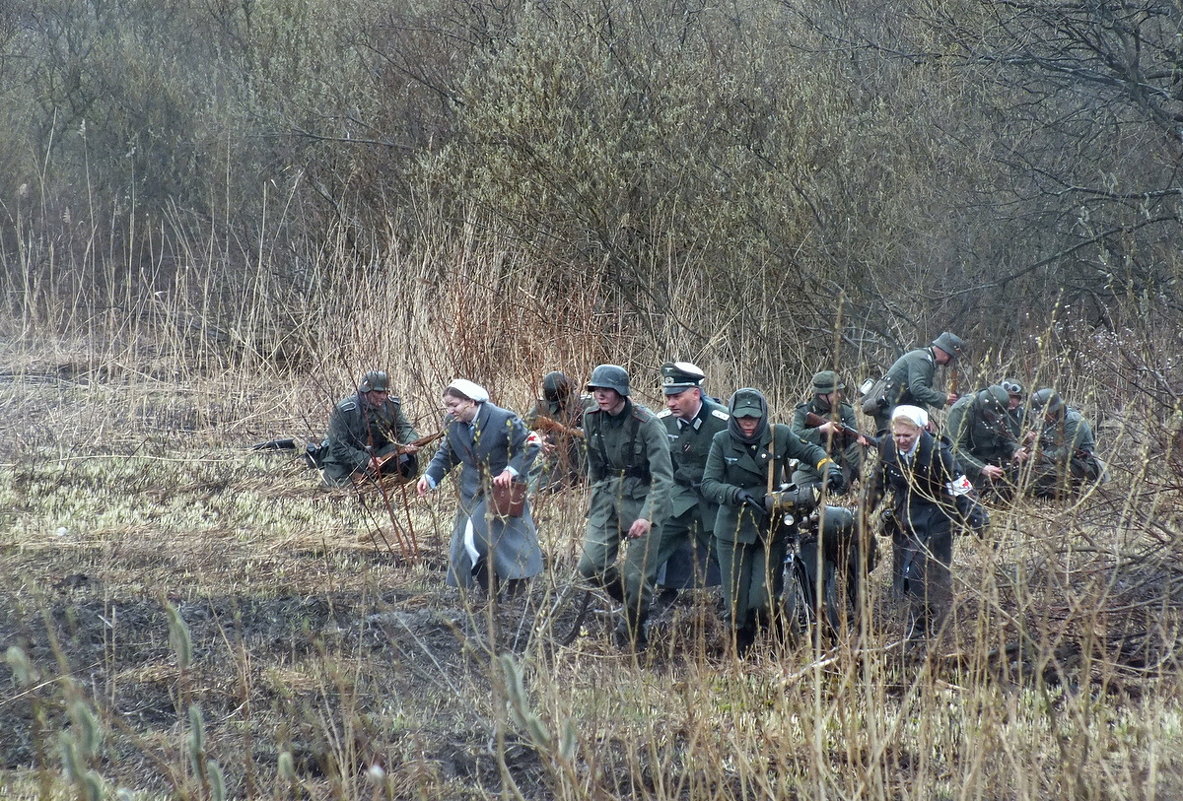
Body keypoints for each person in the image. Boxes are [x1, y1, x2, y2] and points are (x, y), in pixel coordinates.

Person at [701, 388, 846, 654]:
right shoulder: (721, 441)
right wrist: (733, 493)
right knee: (736, 607)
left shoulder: (778, 435)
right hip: (734, 530)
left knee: (762, 599)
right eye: (742, 418)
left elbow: (812, 452)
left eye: (753, 418)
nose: (748, 423)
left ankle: (777, 643)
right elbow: (708, 484)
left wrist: (829, 467)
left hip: (770, 528)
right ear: (733, 416)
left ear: (762, 416)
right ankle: (739, 656)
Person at [577, 364, 674, 650]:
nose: (600, 396)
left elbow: (663, 477)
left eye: (606, 390)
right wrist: (596, 498)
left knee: (637, 576)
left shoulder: (648, 423)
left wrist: (648, 517)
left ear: (621, 392)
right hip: (607, 497)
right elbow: (594, 465)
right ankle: (633, 604)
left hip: (643, 498)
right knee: (590, 565)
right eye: (596, 390)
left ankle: (634, 628)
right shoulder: (591, 418)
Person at [417, 380, 543, 596]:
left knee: (496, 541)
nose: (450, 410)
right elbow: (447, 453)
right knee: (465, 544)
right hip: (470, 491)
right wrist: (430, 477)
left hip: (501, 491)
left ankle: (518, 585)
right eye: (447, 405)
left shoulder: (502, 418)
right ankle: (489, 592)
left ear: (471, 402)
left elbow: (532, 442)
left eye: (454, 405)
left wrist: (510, 471)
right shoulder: (453, 422)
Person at [868, 405, 983, 641]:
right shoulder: (887, 447)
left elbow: (962, 492)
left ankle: (925, 633)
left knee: (926, 579)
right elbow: (876, 485)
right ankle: (917, 627)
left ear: (921, 430)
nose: (901, 440)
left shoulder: (939, 453)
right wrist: (860, 514)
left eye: (907, 436)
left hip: (936, 522)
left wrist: (982, 527)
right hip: (904, 521)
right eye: (897, 435)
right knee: (903, 581)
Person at [651, 362, 729, 606]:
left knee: (727, 553)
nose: (670, 403)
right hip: (681, 496)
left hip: (714, 499)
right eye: (667, 397)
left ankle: (735, 606)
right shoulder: (662, 423)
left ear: (695, 394)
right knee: (650, 548)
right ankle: (634, 608)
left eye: (676, 396)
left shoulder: (723, 421)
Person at [321, 370, 421, 486]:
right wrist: (366, 460)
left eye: (386, 392)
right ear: (365, 392)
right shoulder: (345, 410)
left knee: (406, 458)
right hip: (347, 460)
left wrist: (410, 443)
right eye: (378, 392)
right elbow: (338, 447)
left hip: (378, 455)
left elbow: (403, 428)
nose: (383, 397)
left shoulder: (391, 406)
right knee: (347, 489)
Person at [865, 332, 967, 435]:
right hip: (888, 405)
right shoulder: (923, 359)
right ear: (946, 353)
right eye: (953, 357)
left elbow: (917, 396)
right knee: (891, 441)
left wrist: (924, 419)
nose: (952, 361)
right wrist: (944, 398)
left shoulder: (926, 359)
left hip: (896, 405)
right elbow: (917, 389)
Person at [945, 385, 1030, 498]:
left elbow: (1006, 438)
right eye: (991, 415)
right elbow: (955, 450)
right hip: (967, 460)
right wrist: (981, 468)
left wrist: (1016, 450)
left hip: (989, 455)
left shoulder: (999, 409)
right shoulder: (962, 411)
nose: (994, 419)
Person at [791, 370, 867, 491]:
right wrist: (821, 430)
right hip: (812, 467)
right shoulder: (804, 411)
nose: (839, 395)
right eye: (835, 392)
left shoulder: (845, 410)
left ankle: (839, 488)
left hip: (839, 464)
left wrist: (858, 439)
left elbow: (855, 435)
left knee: (859, 448)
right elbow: (794, 437)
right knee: (797, 488)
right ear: (822, 394)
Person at [1024, 388, 1106, 498]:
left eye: (1044, 413)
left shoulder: (1073, 421)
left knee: (1041, 475)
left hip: (1083, 465)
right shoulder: (1049, 421)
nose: (1041, 417)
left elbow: (1065, 454)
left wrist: (1038, 457)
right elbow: (1045, 443)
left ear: (1052, 411)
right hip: (1059, 463)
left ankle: (1074, 495)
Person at [523, 371, 587, 492]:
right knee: (527, 488)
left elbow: (598, 435)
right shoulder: (543, 406)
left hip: (586, 462)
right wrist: (537, 440)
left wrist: (563, 429)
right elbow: (519, 430)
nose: (561, 405)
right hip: (557, 464)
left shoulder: (586, 404)